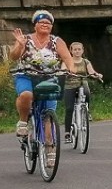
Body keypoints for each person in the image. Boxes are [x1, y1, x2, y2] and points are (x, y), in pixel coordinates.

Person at [8, 9, 76, 168]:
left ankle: (50, 148)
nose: (45, 25)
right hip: (26, 76)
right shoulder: (25, 39)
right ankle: (23, 122)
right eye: (42, 22)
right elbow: (13, 57)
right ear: (35, 24)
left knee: (48, 116)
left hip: (49, 78)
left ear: (51, 26)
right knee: (26, 95)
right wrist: (20, 45)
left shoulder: (57, 41)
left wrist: (71, 69)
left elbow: (67, 58)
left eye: (48, 23)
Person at [62, 42, 103, 144]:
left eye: (79, 49)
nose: (77, 51)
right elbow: (63, 69)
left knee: (87, 92)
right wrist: (64, 72)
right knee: (69, 108)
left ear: (82, 50)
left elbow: (91, 72)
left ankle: (86, 110)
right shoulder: (67, 61)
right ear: (71, 51)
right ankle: (67, 133)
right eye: (75, 49)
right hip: (70, 85)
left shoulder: (85, 62)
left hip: (82, 83)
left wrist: (97, 75)